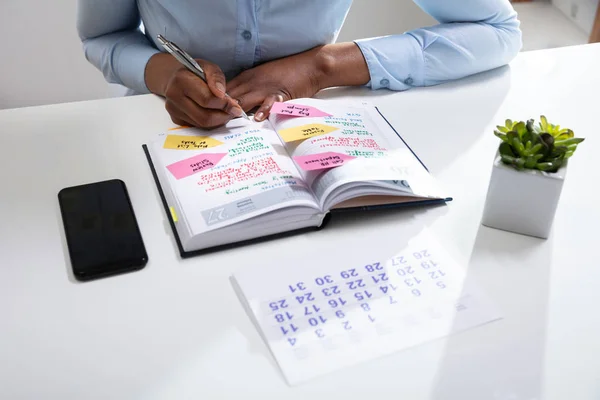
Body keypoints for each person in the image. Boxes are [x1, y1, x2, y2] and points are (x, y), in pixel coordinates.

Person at [77, 0, 521, 129]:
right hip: (161, 129)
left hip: (309, 131)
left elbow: (498, 31)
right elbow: (102, 36)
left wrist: (324, 66)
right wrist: (166, 74)